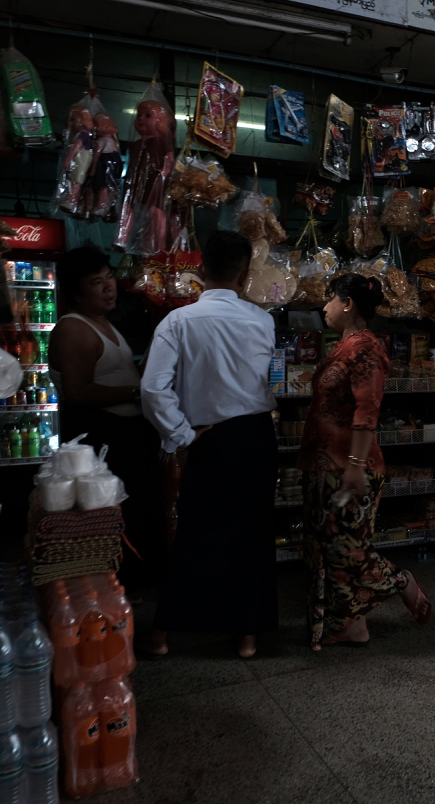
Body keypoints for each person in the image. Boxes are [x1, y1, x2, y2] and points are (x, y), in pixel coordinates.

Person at [140, 231, 278, 660]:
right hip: (255, 436)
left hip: (209, 437)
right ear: (246, 273)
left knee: (196, 533)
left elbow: (152, 389)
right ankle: (247, 638)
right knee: (251, 537)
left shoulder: (177, 322)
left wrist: (180, 434)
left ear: (200, 271)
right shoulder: (263, 321)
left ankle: (163, 636)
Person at [297, 273, 431, 651]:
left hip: (348, 468)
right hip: (324, 466)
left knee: (347, 550)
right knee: (325, 550)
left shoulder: (365, 349)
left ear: (347, 303)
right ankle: (350, 627)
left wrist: (354, 467)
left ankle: (400, 582)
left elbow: (367, 411)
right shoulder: (343, 346)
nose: (323, 307)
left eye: (329, 299)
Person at [50, 245, 163, 594]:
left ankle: (134, 585)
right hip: (102, 436)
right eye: (97, 283)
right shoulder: (74, 329)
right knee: (112, 516)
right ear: (76, 293)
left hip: (126, 432)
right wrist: (135, 393)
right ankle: (114, 589)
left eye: (109, 278)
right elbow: (78, 391)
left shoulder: (102, 323)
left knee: (136, 512)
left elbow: (123, 376)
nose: (109, 287)